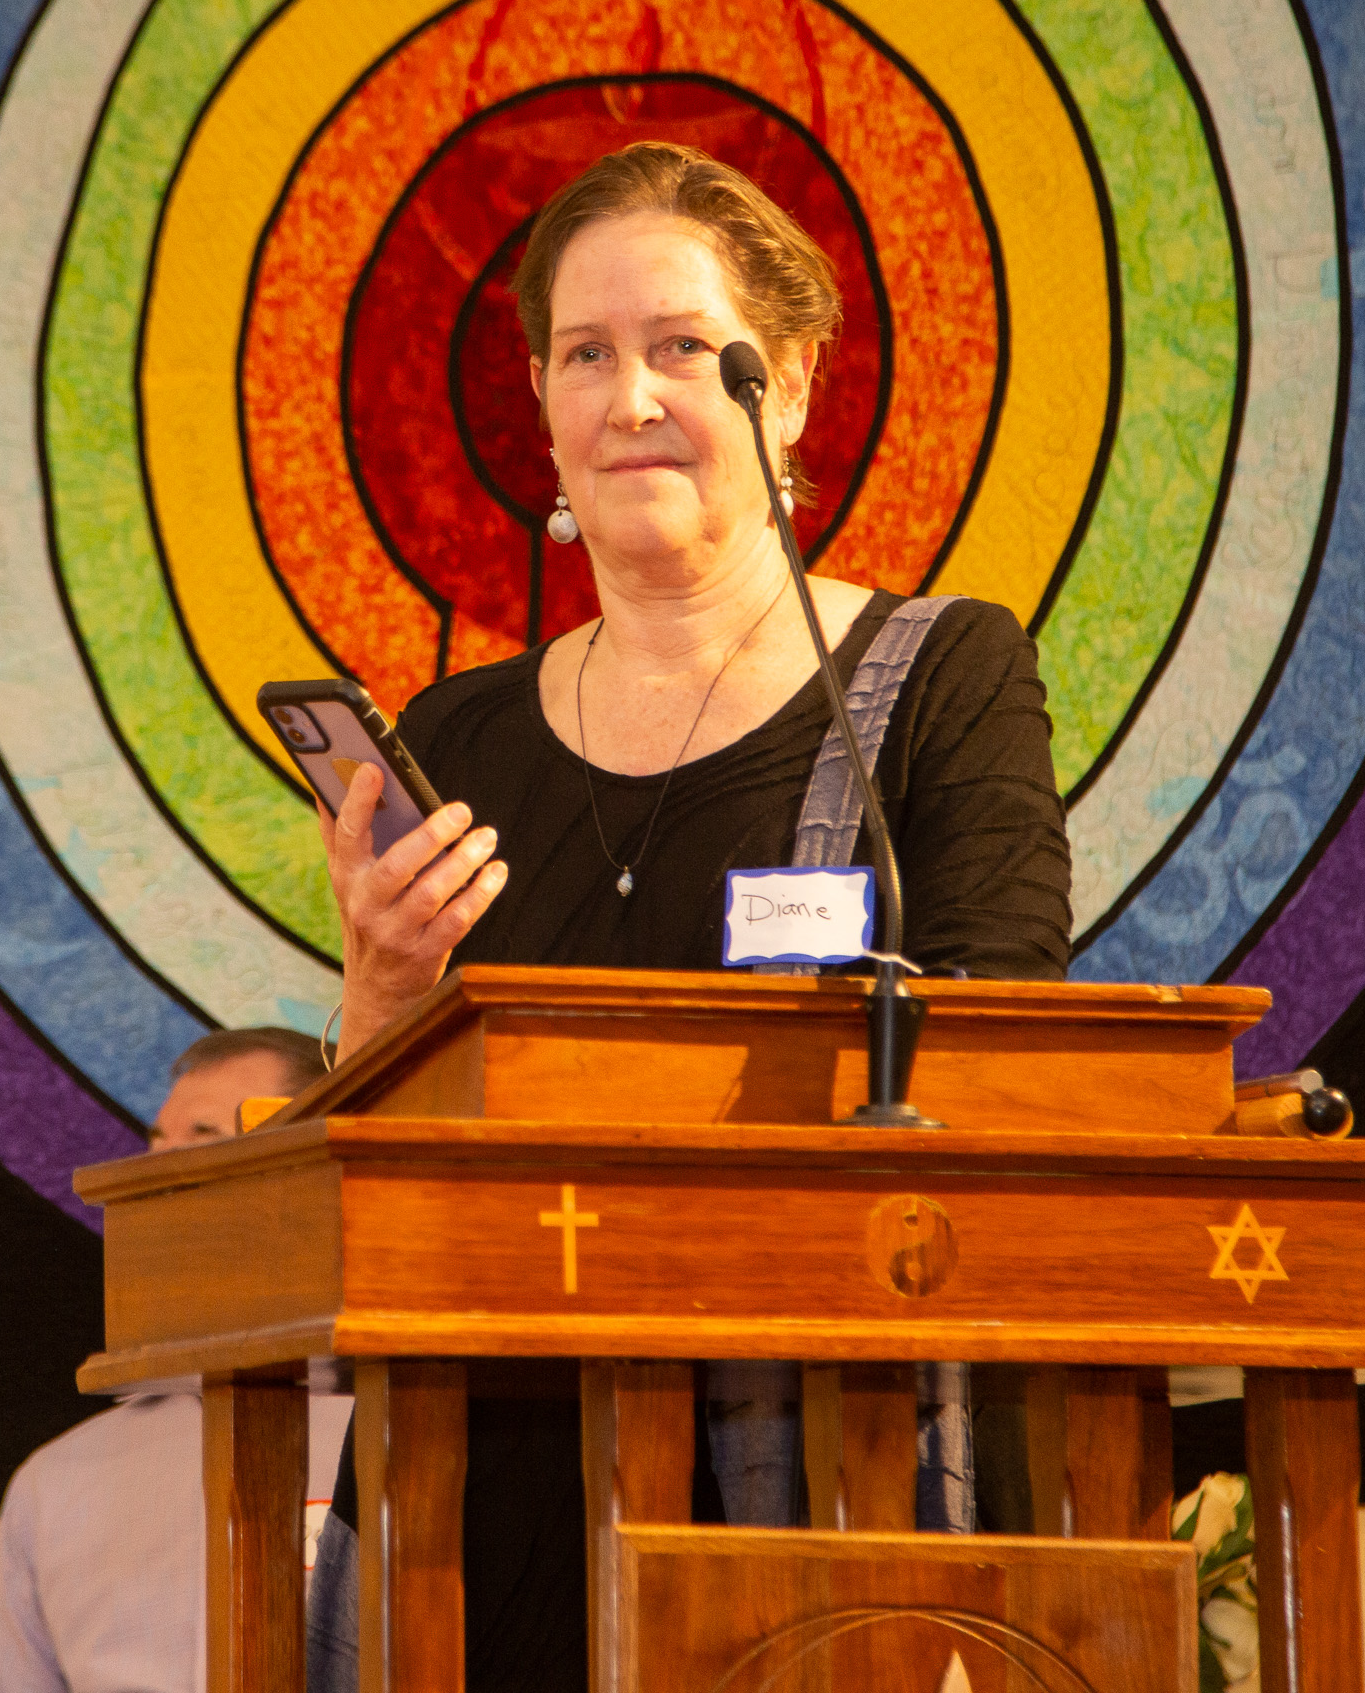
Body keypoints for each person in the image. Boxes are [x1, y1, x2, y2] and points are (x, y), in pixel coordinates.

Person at [307, 143, 1071, 1692]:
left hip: (831, 1471)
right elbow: (383, 1157)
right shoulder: (453, 740)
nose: (631, 398)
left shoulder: (939, 679)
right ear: (541, 399)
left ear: (786, 384)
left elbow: (1001, 1053)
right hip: (492, 1484)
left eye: (679, 348)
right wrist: (381, 988)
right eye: (585, 355)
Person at [0, 1028, 352, 1693]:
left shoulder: (418, 1438)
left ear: (320, 1167)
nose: (154, 1177)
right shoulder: (61, 1481)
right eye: (156, 1145)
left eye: (204, 1137)